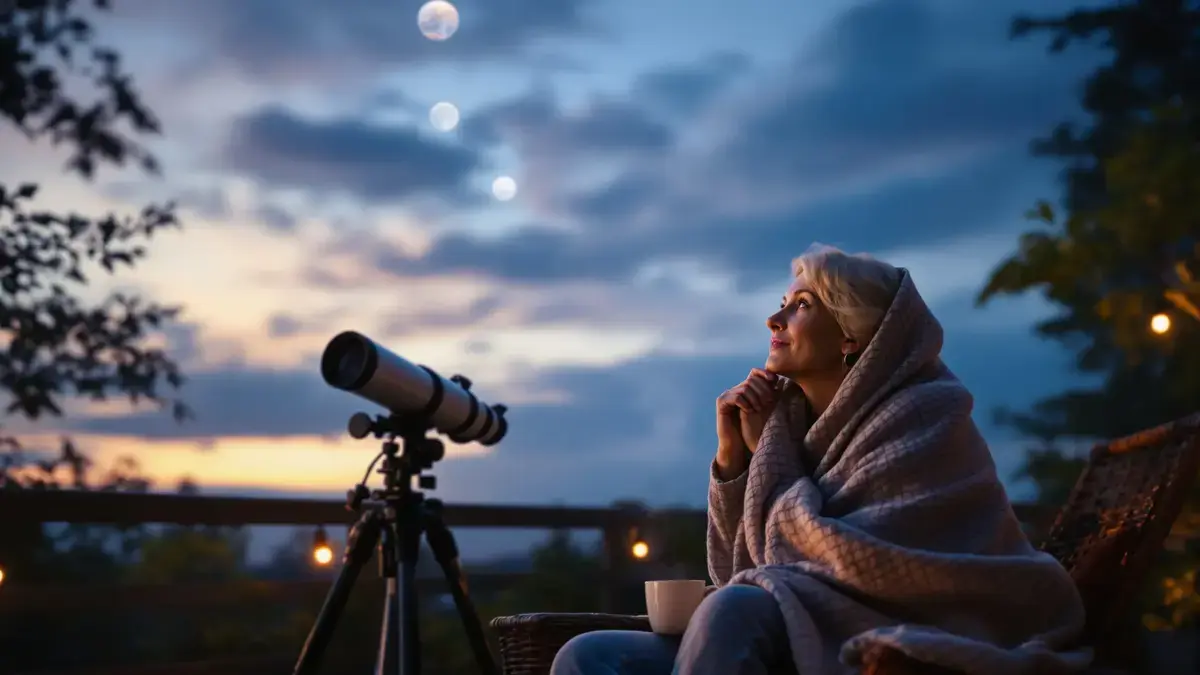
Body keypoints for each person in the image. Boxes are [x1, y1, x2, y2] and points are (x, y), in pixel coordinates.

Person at [551, 246, 1091, 675]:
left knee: (731, 609)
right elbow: (740, 568)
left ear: (853, 337)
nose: (774, 318)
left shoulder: (924, 415)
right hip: (794, 624)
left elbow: (863, 563)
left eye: (802, 305)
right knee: (589, 655)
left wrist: (773, 456)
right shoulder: (789, 422)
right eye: (783, 302)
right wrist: (736, 458)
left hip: (903, 624)